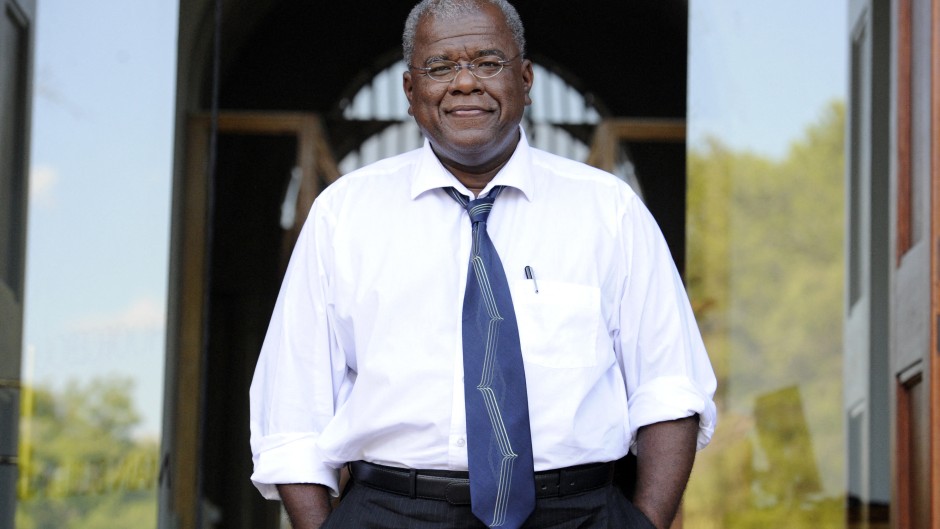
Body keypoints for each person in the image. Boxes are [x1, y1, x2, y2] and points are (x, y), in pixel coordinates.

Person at [249, 1, 717, 528]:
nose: (465, 82)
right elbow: (291, 410)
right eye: (441, 66)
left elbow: (669, 388)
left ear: (524, 79)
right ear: (410, 91)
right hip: (391, 511)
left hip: (577, 512)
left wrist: (645, 524)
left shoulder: (610, 210)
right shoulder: (343, 215)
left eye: (488, 63)